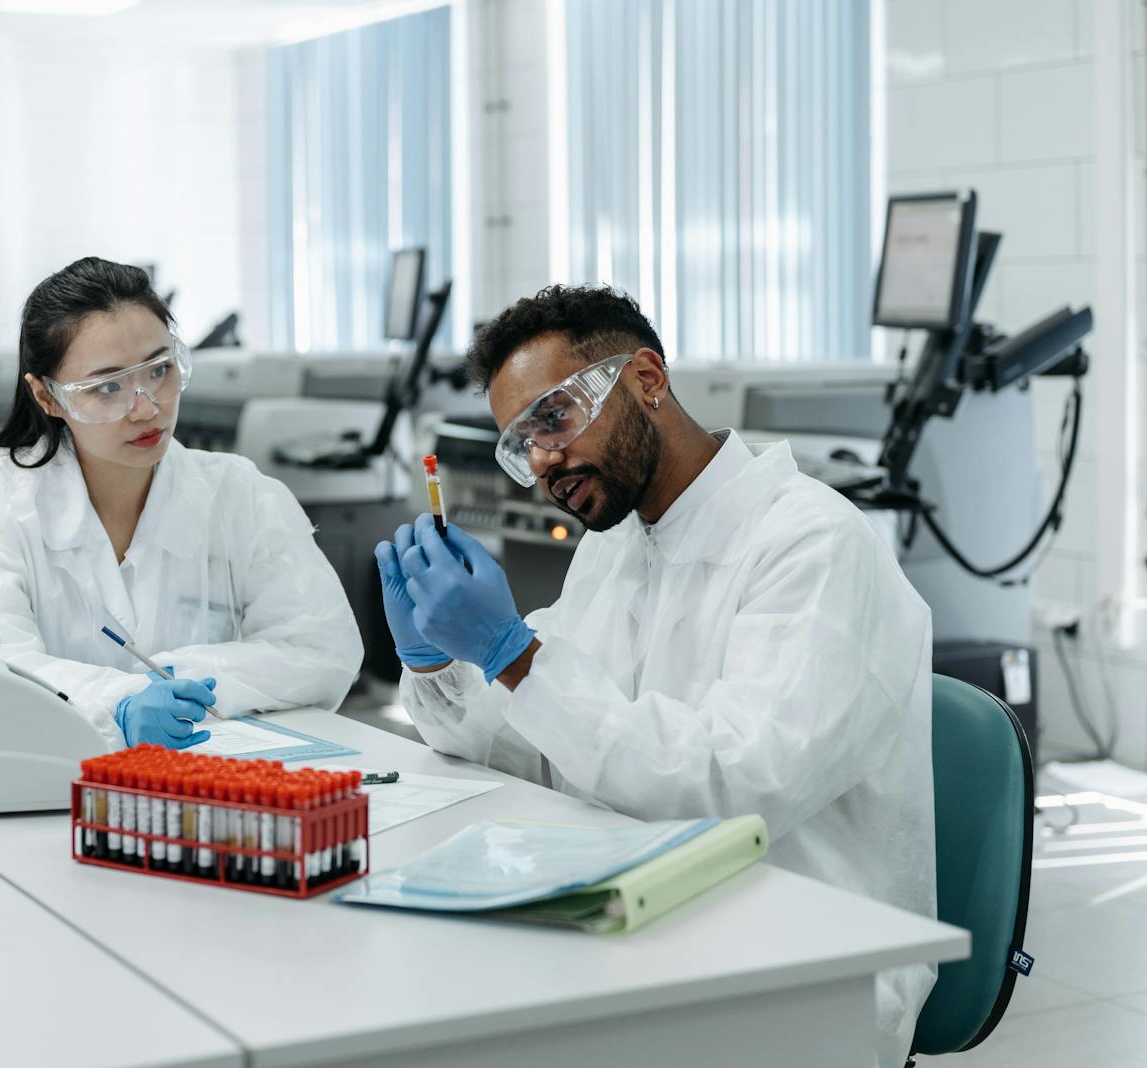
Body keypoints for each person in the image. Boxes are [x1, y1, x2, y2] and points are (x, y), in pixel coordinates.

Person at [374, 285, 934, 1068]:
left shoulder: (812, 543)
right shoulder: (618, 546)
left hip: (800, 968)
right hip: (643, 917)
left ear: (645, 378)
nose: (540, 463)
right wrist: (436, 661)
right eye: (519, 443)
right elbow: (537, 742)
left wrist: (516, 655)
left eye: (553, 418)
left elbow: (733, 789)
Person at [0, 256, 363, 750]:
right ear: (47, 397)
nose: (146, 408)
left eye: (160, 370)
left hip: (209, 785)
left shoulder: (240, 495)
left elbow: (322, 650)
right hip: (45, 786)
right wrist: (119, 704)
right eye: (107, 387)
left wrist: (184, 678)